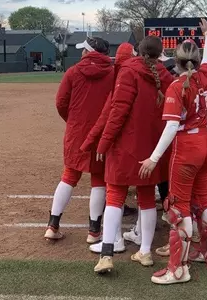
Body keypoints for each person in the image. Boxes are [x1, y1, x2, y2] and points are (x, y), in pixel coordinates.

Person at [138, 18, 207, 285]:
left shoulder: (175, 85)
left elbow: (171, 126)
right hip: (206, 142)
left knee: (179, 209)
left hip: (187, 148)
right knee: (203, 200)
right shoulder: (205, 76)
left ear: (177, 61)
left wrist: (153, 157)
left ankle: (178, 269)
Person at [93, 35, 174, 274]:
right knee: (147, 198)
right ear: (160, 54)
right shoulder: (167, 78)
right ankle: (146, 251)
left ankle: (107, 253)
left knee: (115, 195)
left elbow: (118, 110)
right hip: (152, 146)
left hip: (126, 145)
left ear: (139, 51)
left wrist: (104, 142)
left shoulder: (129, 72)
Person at [44, 37, 115, 246]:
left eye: (84, 49)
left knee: (69, 176)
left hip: (77, 132)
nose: (81, 53)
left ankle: (52, 225)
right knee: (99, 179)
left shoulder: (73, 72)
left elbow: (61, 102)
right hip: (101, 132)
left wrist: (73, 121)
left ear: (89, 52)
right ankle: (94, 230)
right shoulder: (112, 73)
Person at [81, 42, 139, 255]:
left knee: (115, 191)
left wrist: (97, 142)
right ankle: (144, 242)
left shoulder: (124, 77)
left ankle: (113, 242)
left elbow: (113, 114)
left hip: (125, 142)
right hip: (150, 142)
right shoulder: (152, 73)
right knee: (147, 193)